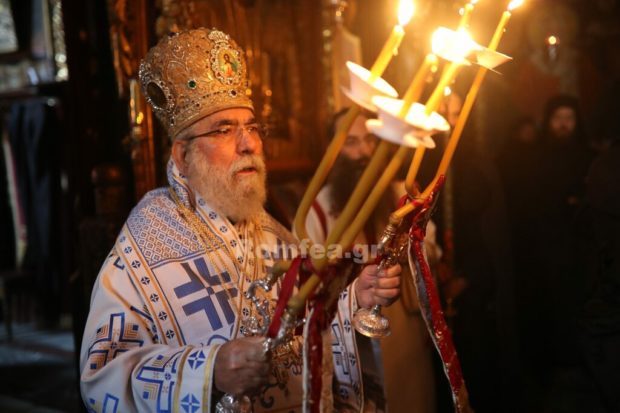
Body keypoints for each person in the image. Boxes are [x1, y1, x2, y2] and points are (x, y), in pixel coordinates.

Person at [78, 28, 402, 413]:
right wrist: (210, 372)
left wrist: (353, 300)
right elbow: (101, 377)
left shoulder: (269, 230)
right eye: (224, 130)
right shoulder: (145, 242)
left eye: (251, 127)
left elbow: (300, 324)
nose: (248, 144)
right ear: (183, 156)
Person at [305, 109, 437, 413]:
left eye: (370, 140)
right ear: (333, 150)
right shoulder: (319, 210)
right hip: (352, 341)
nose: (363, 152)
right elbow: (311, 283)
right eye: (351, 142)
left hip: (405, 333)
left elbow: (430, 254)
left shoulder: (403, 197)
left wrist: (412, 246)